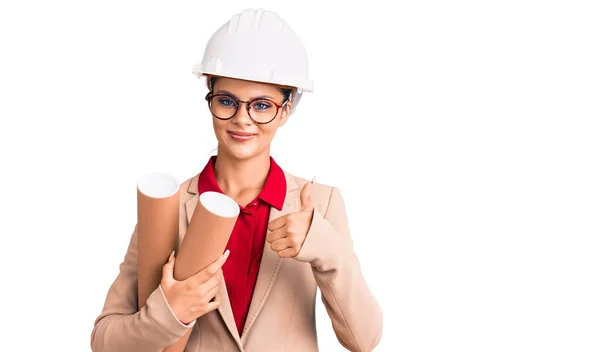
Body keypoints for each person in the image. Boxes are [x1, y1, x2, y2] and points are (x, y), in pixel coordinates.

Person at [91, 8, 382, 352]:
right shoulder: (167, 208)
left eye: (261, 105)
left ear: (286, 110)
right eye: (227, 101)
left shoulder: (320, 203)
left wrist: (325, 248)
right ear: (210, 100)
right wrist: (171, 314)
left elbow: (364, 340)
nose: (242, 119)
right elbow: (104, 340)